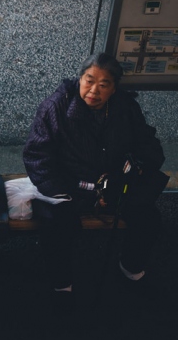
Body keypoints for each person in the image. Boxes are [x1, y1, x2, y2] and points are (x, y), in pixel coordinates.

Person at [23, 52, 168, 299]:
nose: (94, 90)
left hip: (116, 184)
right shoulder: (54, 107)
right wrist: (82, 194)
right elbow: (38, 158)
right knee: (58, 223)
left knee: (148, 219)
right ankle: (61, 283)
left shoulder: (125, 107)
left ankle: (130, 266)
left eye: (104, 84)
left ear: (114, 88)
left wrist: (133, 170)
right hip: (71, 184)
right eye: (89, 80)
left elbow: (148, 145)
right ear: (79, 79)